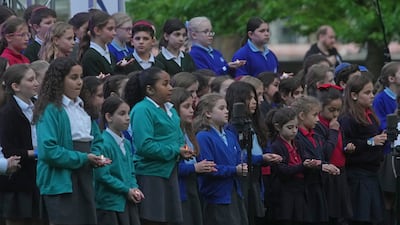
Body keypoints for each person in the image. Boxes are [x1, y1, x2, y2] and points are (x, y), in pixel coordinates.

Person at [32, 57, 110, 225]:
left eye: (81, 77)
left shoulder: (83, 108)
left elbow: (97, 139)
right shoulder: (51, 110)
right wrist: (83, 158)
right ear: (59, 80)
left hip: (85, 176)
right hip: (60, 181)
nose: (79, 82)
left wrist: (95, 155)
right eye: (73, 78)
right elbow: (48, 150)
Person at [129, 67, 191, 225]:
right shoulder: (142, 110)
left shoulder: (170, 109)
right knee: (153, 220)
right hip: (151, 175)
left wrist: (182, 148)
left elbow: (177, 135)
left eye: (170, 83)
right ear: (150, 89)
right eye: (165, 84)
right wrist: (175, 150)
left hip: (170, 172)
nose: (170, 88)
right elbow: (144, 145)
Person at [225, 81, 282, 224]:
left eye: (254, 98)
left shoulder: (255, 123)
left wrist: (267, 155)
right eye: (249, 98)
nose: (254, 102)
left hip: (257, 177)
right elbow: (239, 155)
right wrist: (260, 158)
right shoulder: (232, 127)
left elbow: (263, 145)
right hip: (243, 176)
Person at [194, 93, 248, 225]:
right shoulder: (203, 137)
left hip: (234, 192)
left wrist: (243, 165)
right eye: (221, 108)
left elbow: (239, 156)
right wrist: (234, 170)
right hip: (217, 196)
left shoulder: (229, 134)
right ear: (208, 113)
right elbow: (209, 167)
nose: (227, 111)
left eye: (227, 108)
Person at [339, 75, 386, 225]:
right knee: (361, 218)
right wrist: (370, 142)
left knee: (375, 218)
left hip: (372, 173)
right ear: (353, 95)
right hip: (358, 176)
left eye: (372, 92)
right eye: (367, 93)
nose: (372, 96)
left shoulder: (370, 115)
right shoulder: (347, 118)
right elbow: (346, 145)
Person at [0, 64, 41, 224]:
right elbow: (9, 150)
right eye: (30, 80)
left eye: (36, 78)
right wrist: (34, 153)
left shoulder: (37, 106)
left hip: (35, 178)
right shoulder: (8, 113)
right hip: (17, 182)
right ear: (16, 86)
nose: (36, 83)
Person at [291, 96, 340, 224]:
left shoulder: (316, 136)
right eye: (314, 115)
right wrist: (321, 166)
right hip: (305, 190)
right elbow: (305, 159)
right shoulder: (297, 138)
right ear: (302, 115)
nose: (318, 119)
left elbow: (322, 155)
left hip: (318, 187)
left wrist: (326, 165)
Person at [95, 96, 143, 225]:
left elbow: (131, 171)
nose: (127, 118)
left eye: (128, 113)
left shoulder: (126, 143)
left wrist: (135, 188)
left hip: (127, 201)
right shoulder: (103, 143)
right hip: (110, 204)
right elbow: (103, 175)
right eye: (122, 114)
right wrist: (126, 190)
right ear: (109, 117)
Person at [171, 87, 215, 225]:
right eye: (186, 107)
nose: (191, 110)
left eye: (192, 106)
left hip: (193, 188)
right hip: (181, 191)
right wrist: (195, 168)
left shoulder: (189, 132)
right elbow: (174, 167)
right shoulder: (172, 133)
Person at [314, 84, 353, 225]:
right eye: (331, 110)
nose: (336, 114)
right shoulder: (319, 126)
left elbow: (339, 145)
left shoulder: (335, 123)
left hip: (340, 172)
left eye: (338, 110)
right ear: (321, 108)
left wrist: (347, 147)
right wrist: (333, 131)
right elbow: (325, 152)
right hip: (327, 175)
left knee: (343, 215)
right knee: (331, 214)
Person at [266, 107, 312, 225]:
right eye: (290, 127)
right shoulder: (276, 146)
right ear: (278, 127)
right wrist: (303, 166)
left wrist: (310, 163)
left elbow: (305, 157)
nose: (294, 131)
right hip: (285, 193)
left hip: (299, 190)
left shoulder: (298, 143)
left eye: (296, 127)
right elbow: (282, 170)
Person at [372, 62, 400, 225]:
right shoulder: (381, 99)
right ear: (391, 78)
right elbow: (381, 124)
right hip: (388, 153)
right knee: (389, 195)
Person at [81, 11, 116, 77]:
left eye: (115, 29)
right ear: (97, 30)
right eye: (110, 29)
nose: (114, 33)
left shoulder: (110, 54)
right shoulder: (90, 56)